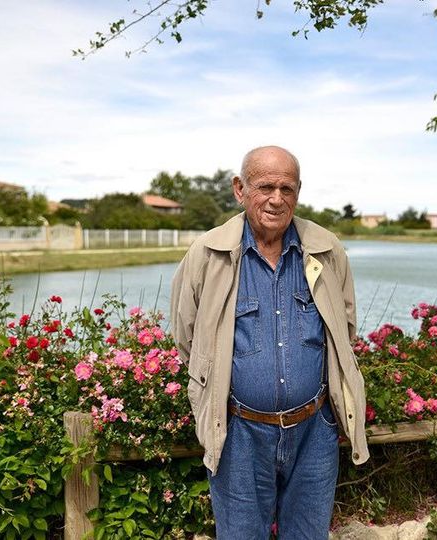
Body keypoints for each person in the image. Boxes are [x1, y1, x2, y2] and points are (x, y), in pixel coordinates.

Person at [170, 145, 369, 539]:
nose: (277, 199)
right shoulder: (207, 254)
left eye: (287, 188)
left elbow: (344, 329)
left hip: (314, 432)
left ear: (298, 192)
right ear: (239, 189)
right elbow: (186, 336)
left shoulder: (327, 250)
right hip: (238, 433)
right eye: (265, 187)